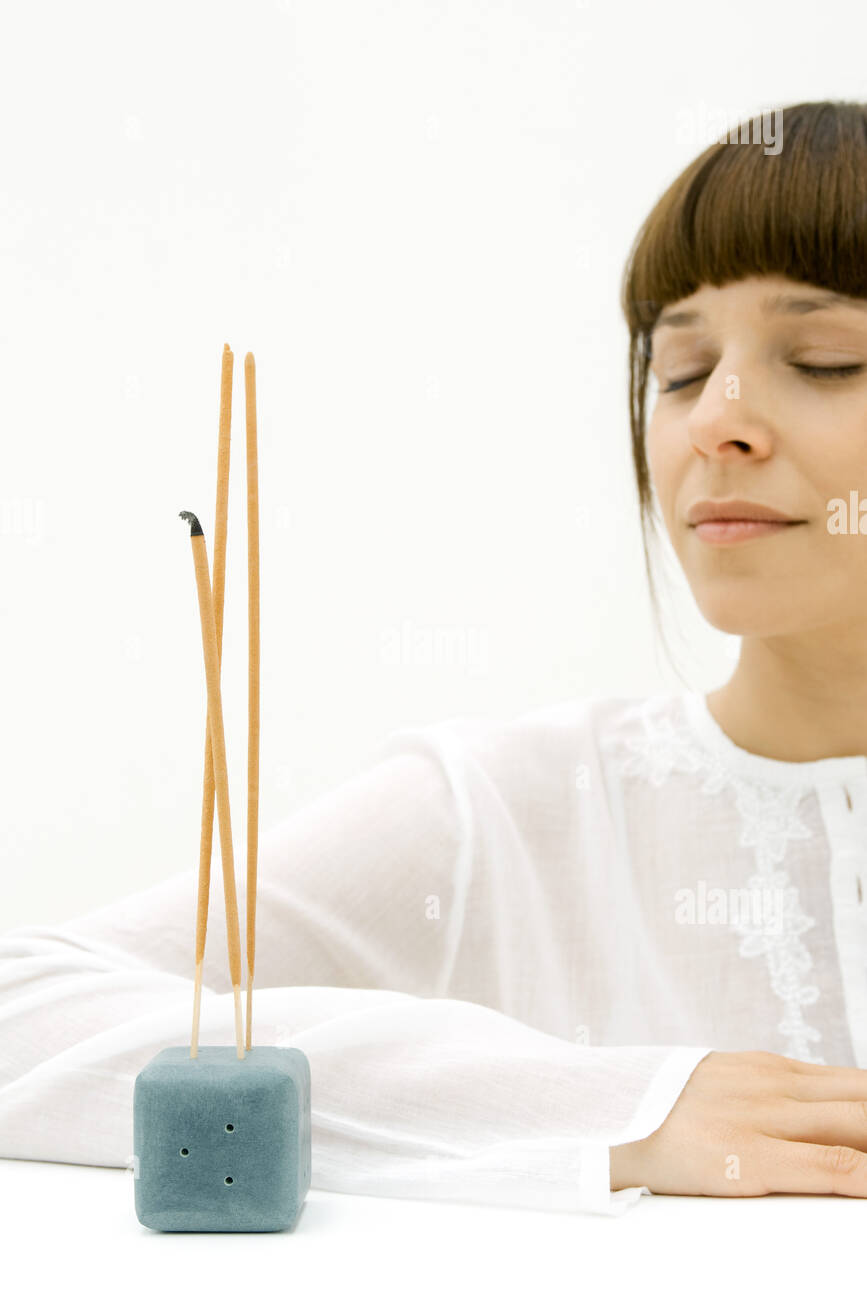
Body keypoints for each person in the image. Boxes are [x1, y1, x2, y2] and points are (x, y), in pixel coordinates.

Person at [4, 98, 867, 1218]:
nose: (718, 423)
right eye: (680, 371)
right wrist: (611, 1103)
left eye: (825, 358)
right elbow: (18, 1005)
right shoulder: (516, 811)